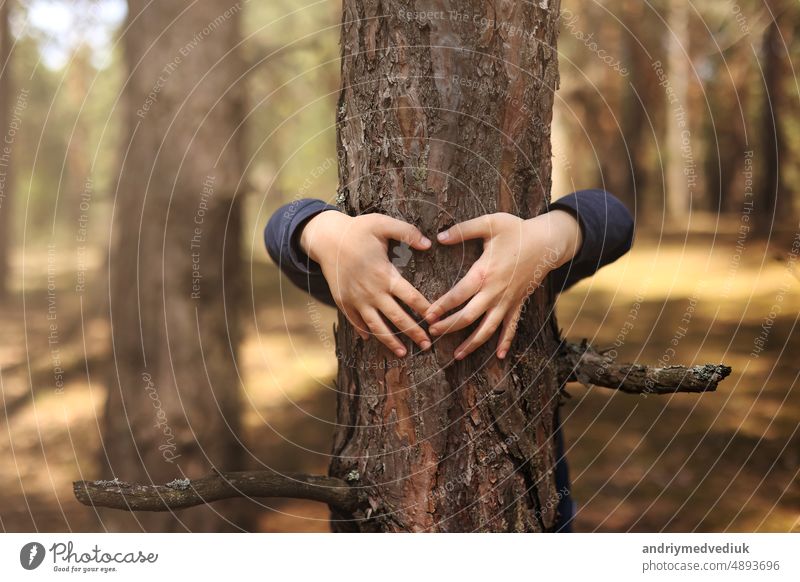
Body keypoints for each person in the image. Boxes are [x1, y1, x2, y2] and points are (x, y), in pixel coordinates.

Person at [265, 189, 634, 531]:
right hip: (373, 507)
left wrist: (551, 236)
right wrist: (327, 234)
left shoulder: (526, 273)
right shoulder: (362, 283)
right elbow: (280, 229)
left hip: (531, 506)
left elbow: (615, 219)